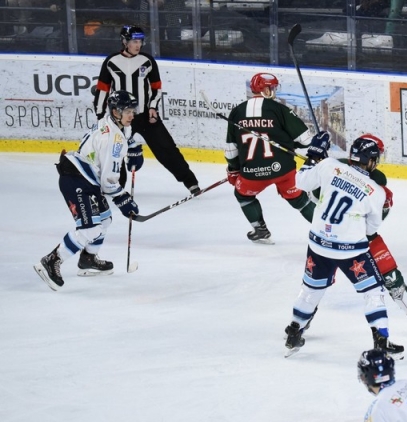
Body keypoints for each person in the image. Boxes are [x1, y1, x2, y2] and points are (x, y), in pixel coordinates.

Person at [283, 134, 404, 359]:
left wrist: (313, 157)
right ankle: (381, 339)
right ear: (370, 160)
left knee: (311, 290)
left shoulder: (329, 165)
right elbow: (371, 229)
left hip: (318, 245)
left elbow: (300, 182)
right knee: (373, 292)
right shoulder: (376, 191)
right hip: (351, 250)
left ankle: (294, 330)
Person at [33, 91, 140, 291]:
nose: (131, 115)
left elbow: (124, 136)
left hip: (83, 176)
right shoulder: (114, 140)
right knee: (90, 227)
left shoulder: (110, 122)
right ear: (116, 111)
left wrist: (132, 146)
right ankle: (51, 260)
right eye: (127, 111)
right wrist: (123, 200)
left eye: (133, 110)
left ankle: (88, 259)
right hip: (76, 179)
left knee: (105, 219)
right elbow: (108, 182)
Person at [92, 25, 200, 195]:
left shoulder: (147, 61)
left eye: (140, 41)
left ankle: (191, 182)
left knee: (167, 149)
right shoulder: (111, 62)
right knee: (115, 153)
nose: (138, 45)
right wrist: (100, 116)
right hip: (121, 119)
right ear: (125, 41)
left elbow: (156, 88)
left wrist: (152, 107)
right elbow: (102, 90)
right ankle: (115, 188)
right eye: (134, 41)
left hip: (145, 116)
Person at [224, 72, 315, 243]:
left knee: (243, 195)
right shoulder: (279, 109)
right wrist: (288, 144)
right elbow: (305, 140)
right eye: (271, 87)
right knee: (299, 199)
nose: (273, 90)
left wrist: (233, 170)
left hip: (252, 173)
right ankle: (329, 231)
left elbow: (230, 151)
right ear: (263, 88)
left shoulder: (236, 112)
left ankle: (260, 229)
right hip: (284, 170)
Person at [354, 134, 407, 332]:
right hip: (337, 238)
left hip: (366, 238)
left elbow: (375, 221)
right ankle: (300, 322)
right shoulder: (336, 171)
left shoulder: (377, 181)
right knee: (319, 281)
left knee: (392, 276)